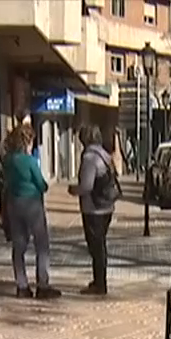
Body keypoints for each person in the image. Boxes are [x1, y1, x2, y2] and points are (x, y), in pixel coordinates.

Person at [3, 124, 61, 300]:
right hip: (32, 205)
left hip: (14, 203)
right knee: (41, 245)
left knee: (19, 246)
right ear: (27, 141)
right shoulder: (29, 161)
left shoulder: (8, 160)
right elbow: (41, 183)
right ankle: (42, 285)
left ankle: (22, 286)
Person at [69, 125, 117, 296]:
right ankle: (99, 280)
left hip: (93, 208)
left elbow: (87, 186)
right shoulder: (105, 156)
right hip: (107, 207)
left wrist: (73, 190)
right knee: (100, 245)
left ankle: (99, 284)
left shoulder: (90, 158)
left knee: (96, 247)